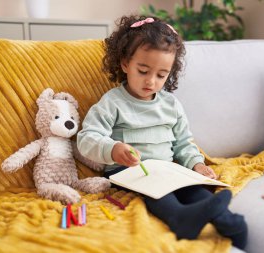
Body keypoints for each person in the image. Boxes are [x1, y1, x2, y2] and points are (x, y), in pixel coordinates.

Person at [77, 15, 247, 249]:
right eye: (143, 70)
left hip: (169, 171)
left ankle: (226, 220)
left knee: (196, 191)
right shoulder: (113, 102)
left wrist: (197, 165)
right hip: (128, 173)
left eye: (161, 75)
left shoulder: (171, 104)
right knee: (158, 192)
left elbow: (184, 143)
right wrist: (114, 149)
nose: (151, 82)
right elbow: (87, 138)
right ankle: (179, 218)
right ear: (125, 63)